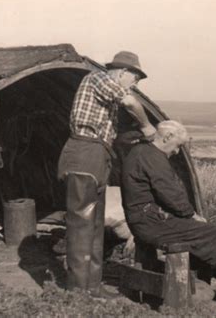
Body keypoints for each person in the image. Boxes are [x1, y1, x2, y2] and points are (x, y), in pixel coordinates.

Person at [121, 120, 216, 307]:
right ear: (167, 137)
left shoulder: (141, 152)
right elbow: (169, 193)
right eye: (178, 146)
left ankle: (200, 284)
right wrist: (191, 215)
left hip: (146, 219)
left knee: (201, 232)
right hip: (151, 222)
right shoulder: (152, 156)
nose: (176, 152)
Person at [57, 51, 156, 299]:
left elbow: (110, 133)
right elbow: (132, 104)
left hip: (99, 155)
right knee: (82, 224)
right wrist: (147, 127)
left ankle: (92, 285)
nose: (135, 85)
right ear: (122, 72)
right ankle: (78, 292)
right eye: (135, 78)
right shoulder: (98, 78)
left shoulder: (106, 100)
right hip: (83, 153)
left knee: (95, 225)